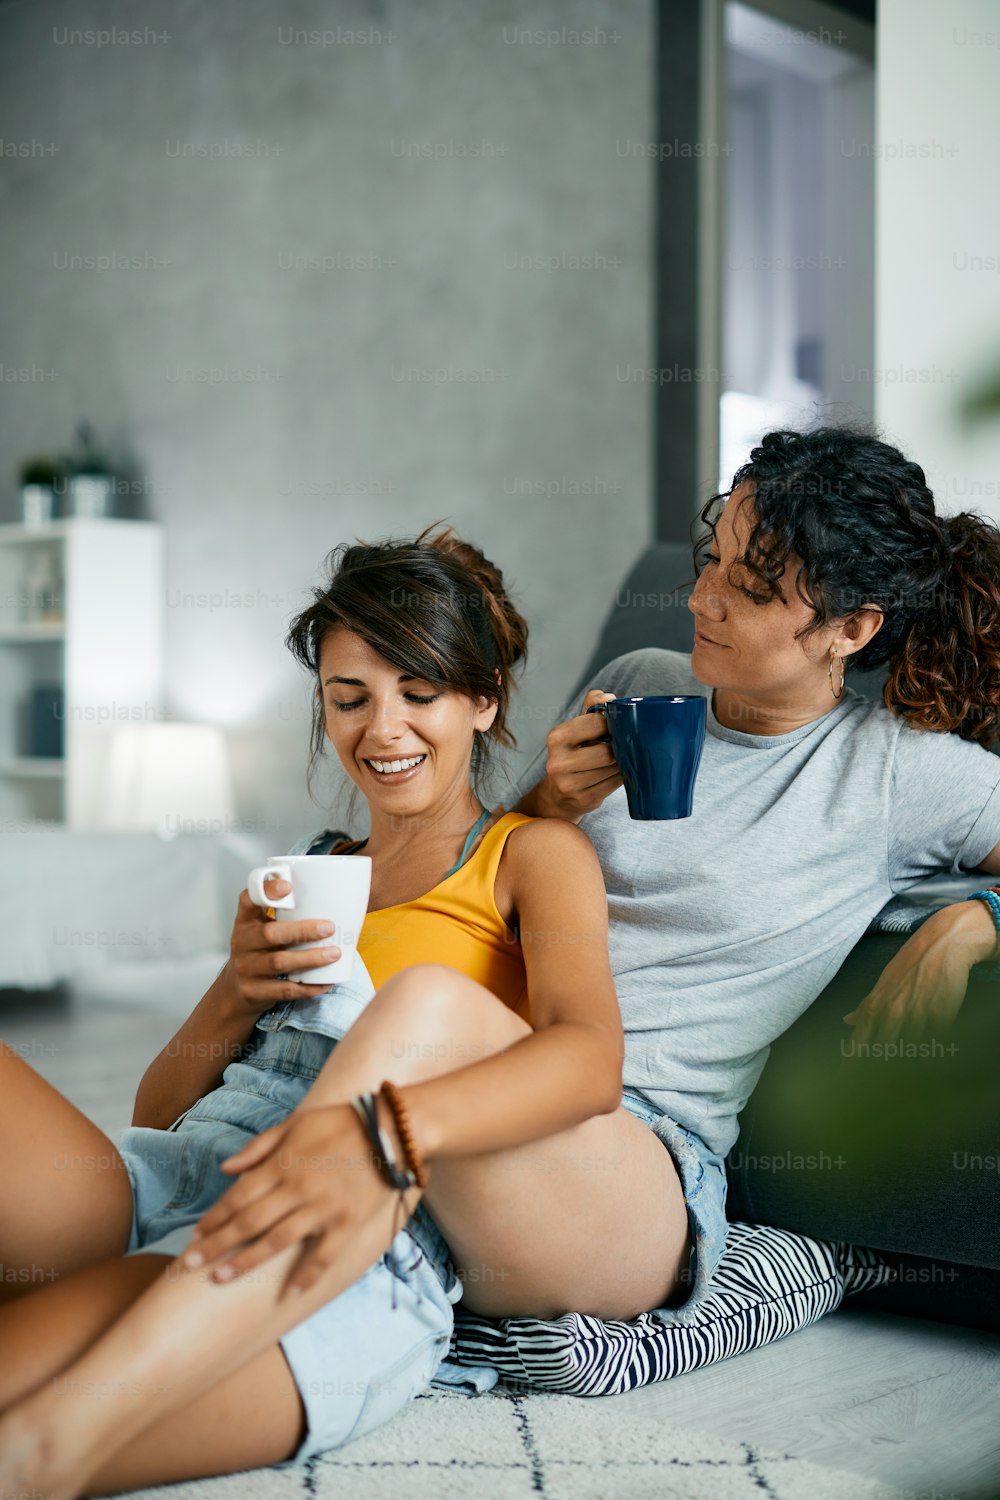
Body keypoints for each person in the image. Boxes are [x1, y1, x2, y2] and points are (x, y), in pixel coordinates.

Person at [0, 526, 689, 1498]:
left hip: (348, 1233)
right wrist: (236, 984)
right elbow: (159, 1110)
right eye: (349, 698)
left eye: (420, 694)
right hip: (186, 1170)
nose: (384, 730)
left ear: (482, 700)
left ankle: (63, 1436)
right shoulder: (312, 867)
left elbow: (587, 1062)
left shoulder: (529, 857)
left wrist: (392, 1130)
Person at [516, 424, 1000, 1203]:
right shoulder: (638, 682)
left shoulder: (901, 774)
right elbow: (473, 891)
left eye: (752, 589)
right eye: (714, 562)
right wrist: (546, 806)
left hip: (637, 1128)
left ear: (852, 628)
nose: (703, 598)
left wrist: (979, 919)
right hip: (496, 1058)